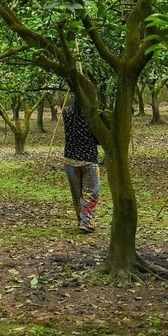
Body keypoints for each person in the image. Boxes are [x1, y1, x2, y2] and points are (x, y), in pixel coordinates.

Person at [62, 93, 102, 233]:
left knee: (77, 194)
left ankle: (82, 220)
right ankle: (86, 221)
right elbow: (99, 137)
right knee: (91, 193)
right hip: (88, 160)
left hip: (70, 161)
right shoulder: (92, 115)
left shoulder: (66, 112)